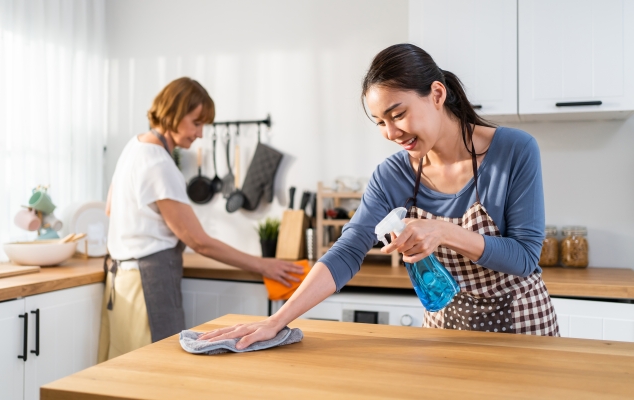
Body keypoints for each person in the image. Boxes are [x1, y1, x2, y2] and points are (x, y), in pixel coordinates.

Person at [200, 44, 559, 348]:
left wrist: (444, 232)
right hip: (446, 333)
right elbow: (349, 248)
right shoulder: (393, 175)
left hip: (522, 329)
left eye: (397, 114)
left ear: (437, 94)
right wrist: (276, 320)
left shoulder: (514, 150)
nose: (391, 133)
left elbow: (525, 257)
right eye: (380, 122)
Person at [98, 77, 303, 361]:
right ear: (173, 112)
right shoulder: (158, 162)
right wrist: (262, 265)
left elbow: (110, 208)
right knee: (154, 371)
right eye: (196, 123)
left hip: (122, 279)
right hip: (148, 281)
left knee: (124, 368)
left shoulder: (134, 147)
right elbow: (199, 242)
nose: (200, 134)